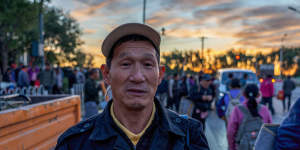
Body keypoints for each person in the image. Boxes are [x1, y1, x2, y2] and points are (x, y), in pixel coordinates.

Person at [55, 23, 209, 150]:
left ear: (160, 75)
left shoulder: (188, 136)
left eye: (147, 64)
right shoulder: (75, 143)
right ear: (107, 74)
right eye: (126, 64)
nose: (137, 77)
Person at [227, 84, 272, 150]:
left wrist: (232, 147)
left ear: (243, 94)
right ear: (258, 95)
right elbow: (271, 131)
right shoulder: (264, 109)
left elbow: (230, 132)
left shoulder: (237, 109)